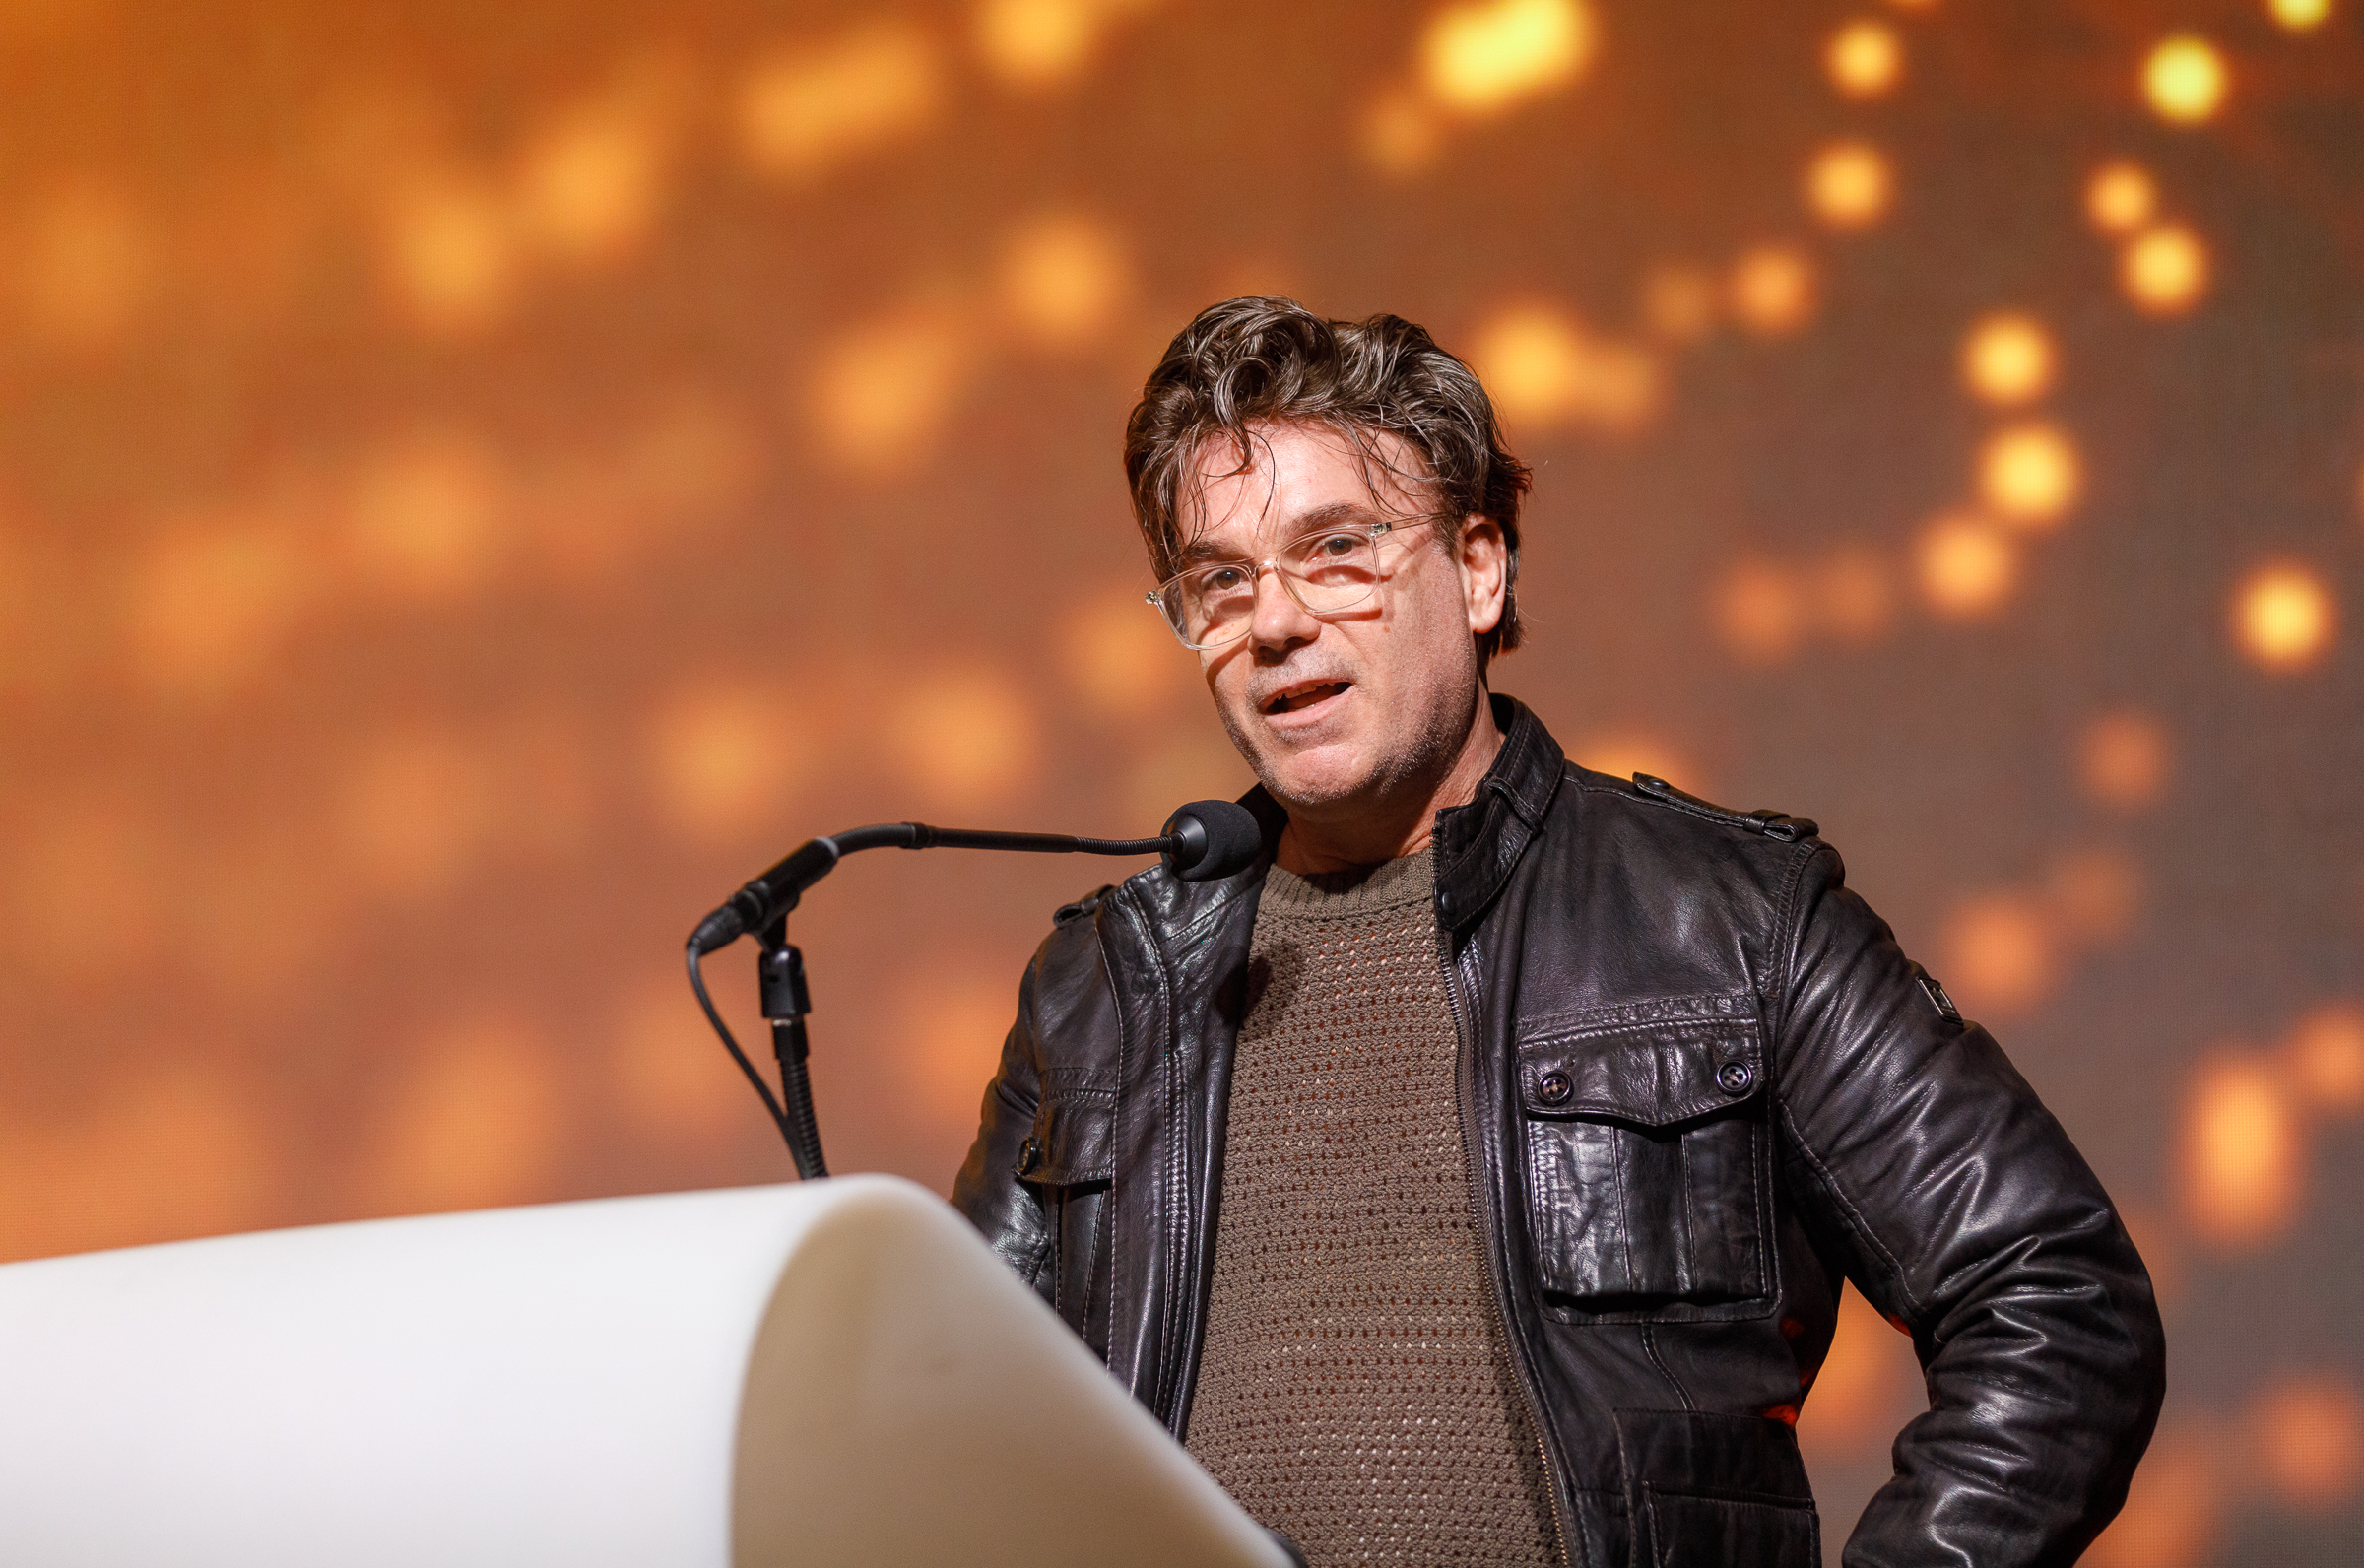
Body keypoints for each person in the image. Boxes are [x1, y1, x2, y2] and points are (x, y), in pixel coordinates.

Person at [952, 296, 2165, 1568]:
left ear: (1478, 569)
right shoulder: (1103, 985)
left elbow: (2058, 1299)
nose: (1275, 623)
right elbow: (947, 1411)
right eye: (1220, 581)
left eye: (1337, 551)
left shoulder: (1730, 919)